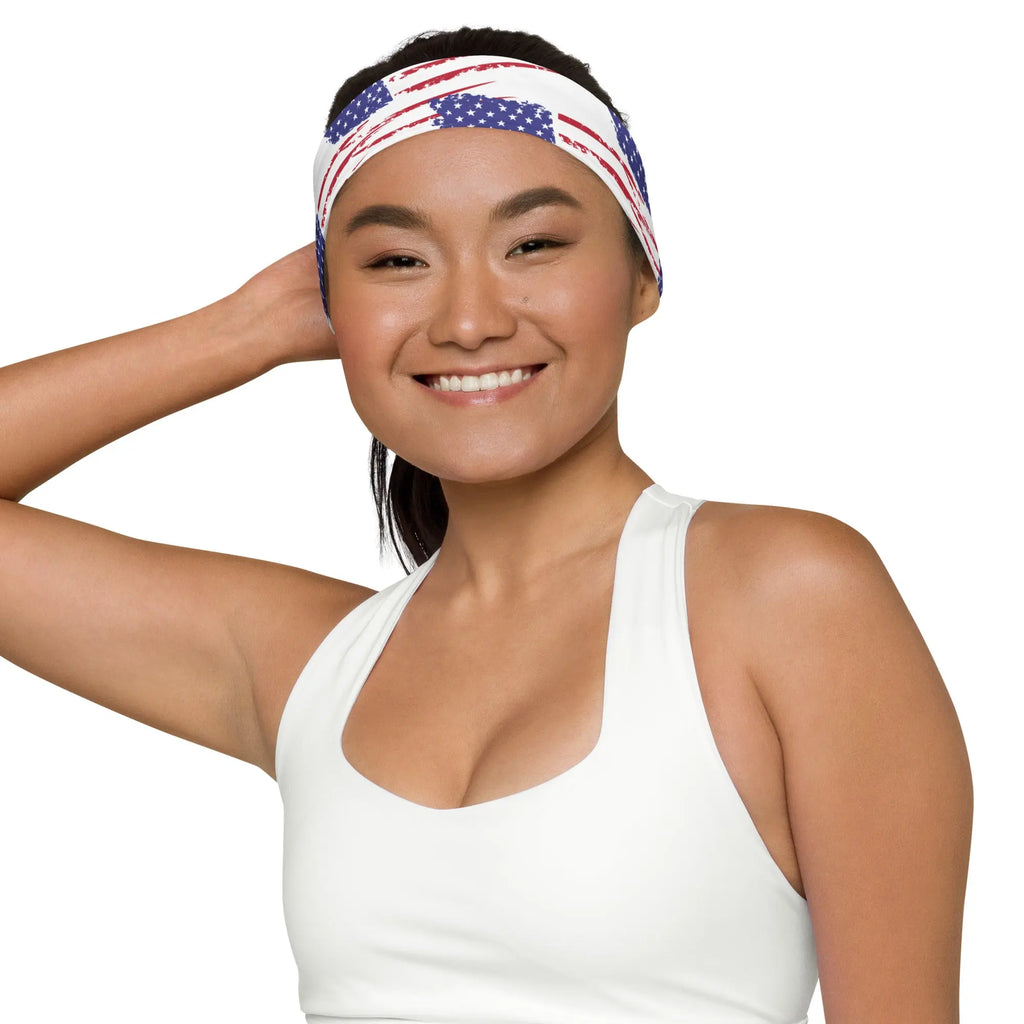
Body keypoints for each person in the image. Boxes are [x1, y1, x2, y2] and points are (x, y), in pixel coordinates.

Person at [0, 24, 972, 1024]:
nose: (468, 318)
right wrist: (236, 331)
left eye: (534, 244)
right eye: (398, 259)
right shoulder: (311, 666)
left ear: (641, 278)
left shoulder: (785, 594)